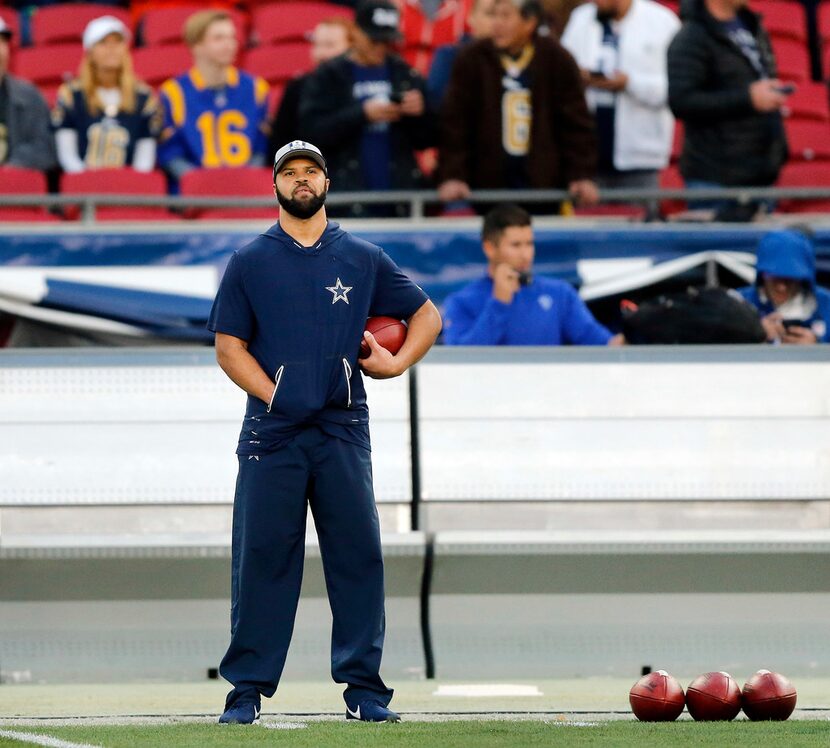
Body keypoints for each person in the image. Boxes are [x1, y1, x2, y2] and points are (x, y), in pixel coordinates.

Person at [208, 139, 442, 725]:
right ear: (277, 185)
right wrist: (275, 394)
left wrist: (396, 363)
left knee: (357, 558)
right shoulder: (249, 261)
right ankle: (246, 692)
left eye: (311, 171)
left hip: (341, 429)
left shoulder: (362, 256)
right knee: (262, 560)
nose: (302, 180)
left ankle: (365, 691)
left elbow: (427, 315)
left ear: (327, 183)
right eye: (291, 173)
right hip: (272, 434)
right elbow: (228, 347)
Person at [437, 0, 599, 211]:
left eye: (505, 16)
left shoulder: (557, 59)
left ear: (529, 22)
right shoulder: (471, 59)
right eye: (494, 16)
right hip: (487, 191)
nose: (496, 24)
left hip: (544, 190)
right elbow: (455, 124)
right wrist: (453, 175)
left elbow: (575, 124)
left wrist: (581, 175)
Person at [299, 0, 434, 216]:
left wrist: (420, 112)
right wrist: (361, 114)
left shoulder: (405, 74)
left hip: (399, 201)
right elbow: (310, 134)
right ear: (356, 32)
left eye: (387, 42)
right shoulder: (328, 76)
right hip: (344, 201)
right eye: (374, 40)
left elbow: (427, 138)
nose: (381, 48)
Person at [667, 0, 788, 217]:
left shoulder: (752, 26)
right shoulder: (691, 37)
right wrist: (748, 99)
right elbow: (681, 101)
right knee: (717, 251)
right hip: (715, 178)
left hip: (760, 174)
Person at [442, 203, 622, 344]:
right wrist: (499, 303)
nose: (525, 254)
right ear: (489, 248)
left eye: (529, 243)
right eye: (516, 245)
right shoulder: (461, 302)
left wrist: (636, 334)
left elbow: (602, 344)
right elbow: (461, 359)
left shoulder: (559, 293)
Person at [561, 0, 680, 193]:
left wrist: (630, 84)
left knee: (640, 220)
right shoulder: (581, 18)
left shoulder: (662, 22)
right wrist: (578, 77)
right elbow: (560, 76)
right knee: (589, 222)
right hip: (587, 160)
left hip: (640, 160)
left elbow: (676, 89)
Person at [158, 10, 270, 184]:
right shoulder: (174, 92)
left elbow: (261, 148)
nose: (229, 44)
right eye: (219, 38)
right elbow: (170, 153)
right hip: (196, 193)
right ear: (196, 45)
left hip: (245, 191)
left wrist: (245, 181)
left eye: (232, 37)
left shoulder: (256, 88)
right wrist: (206, 183)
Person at [51, 16, 159, 173]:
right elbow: (67, 157)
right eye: (103, 43)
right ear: (89, 51)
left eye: (118, 42)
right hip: (82, 190)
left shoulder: (143, 97)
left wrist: (131, 186)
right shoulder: (71, 94)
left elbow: (144, 160)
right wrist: (89, 184)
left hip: (129, 190)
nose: (112, 48)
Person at [267, 17, 353, 163]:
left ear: (352, 47)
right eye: (316, 45)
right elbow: (279, 146)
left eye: (330, 45)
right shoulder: (296, 88)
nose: (321, 54)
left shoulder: (360, 86)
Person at [737, 229, 830, 344]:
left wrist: (818, 346)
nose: (782, 287)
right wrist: (754, 334)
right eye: (774, 278)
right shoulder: (737, 303)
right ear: (761, 275)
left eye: (790, 280)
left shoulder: (826, 304)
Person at [0, 16, 56, 171]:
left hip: (17, 191)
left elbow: (45, 150)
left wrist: (11, 170)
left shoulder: (30, 96)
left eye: (2, 41)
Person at [426, 0, 496, 110]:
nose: (498, 22)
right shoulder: (449, 56)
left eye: (505, 15)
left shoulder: (522, 61)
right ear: (470, 17)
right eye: (490, 13)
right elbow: (438, 106)